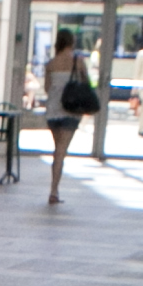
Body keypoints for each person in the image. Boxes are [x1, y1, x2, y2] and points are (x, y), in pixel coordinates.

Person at [42, 28, 89, 205]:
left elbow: (47, 88)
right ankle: (54, 190)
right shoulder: (78, 62)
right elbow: (86, 85)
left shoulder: (51, 64)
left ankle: (54, 189)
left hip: (53, 111)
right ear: (71, 42)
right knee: (61, 152)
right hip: (71, 111)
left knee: (58, 149)